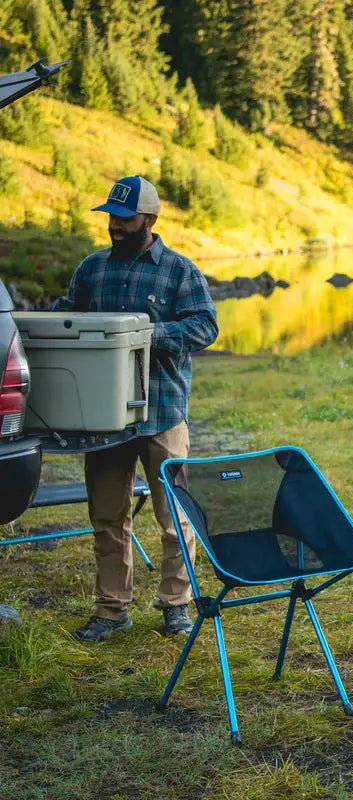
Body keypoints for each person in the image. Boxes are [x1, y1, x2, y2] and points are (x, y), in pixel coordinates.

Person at [53, 175, 219, 642]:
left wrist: (149, 333)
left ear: (150, 219)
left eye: (125, 218)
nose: (115, 226)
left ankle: (176, 605)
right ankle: (111, 610)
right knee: (107, 518)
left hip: (162, 412)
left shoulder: (179, 271)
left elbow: (206, 326)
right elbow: (66, 316)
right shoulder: (92, 269)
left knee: (175, 518)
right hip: (103, 417)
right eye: (111, 216)